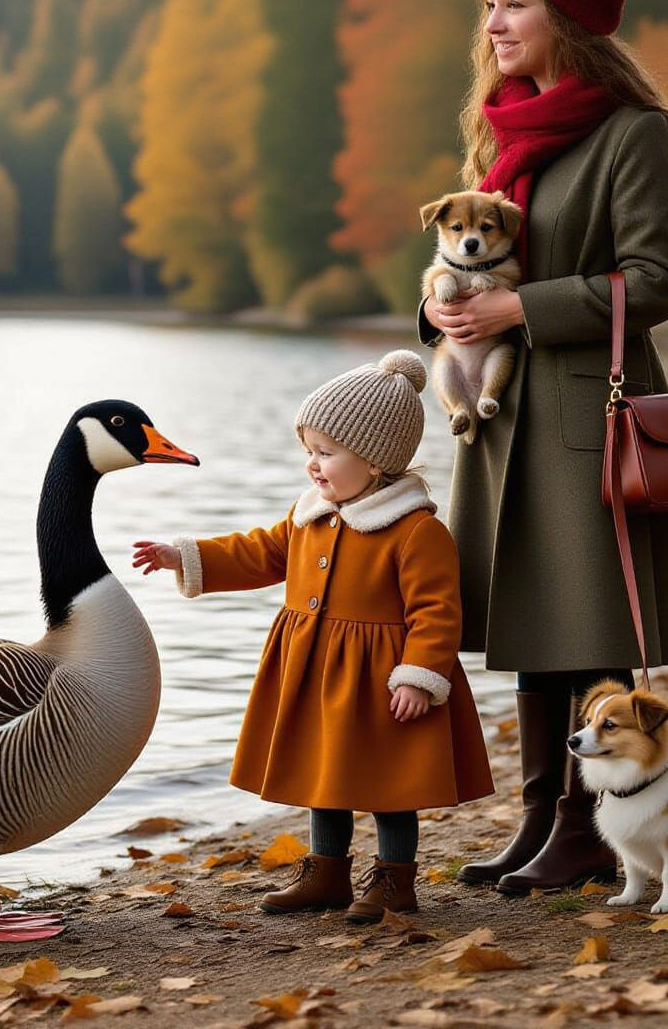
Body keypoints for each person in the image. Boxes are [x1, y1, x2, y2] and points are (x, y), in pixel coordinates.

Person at [419, 0, 668, 895]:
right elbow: (477, 264)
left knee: (586, 623)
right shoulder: (506, 131)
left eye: (514, 4)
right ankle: (544, 813)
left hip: (593, 409)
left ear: (567, 19)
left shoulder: (636, 135)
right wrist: (441, 311)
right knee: (532, 622)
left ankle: (590, 823)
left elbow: (656, 280)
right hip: (508, 421)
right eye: (488, 4)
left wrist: (516, 308)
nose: (493, 24)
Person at [133, 350, 493, 922]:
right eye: (309, 451)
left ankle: (394, 881)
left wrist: (421, 677)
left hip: (382, 681)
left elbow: (438, 611)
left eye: (326, 452)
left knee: (386, 785)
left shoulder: (416, 531)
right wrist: (186, 555)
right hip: (317, 670)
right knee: (325, 776)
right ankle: (327, 872)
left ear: (375, 462)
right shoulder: (310, 515)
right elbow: (260, 551)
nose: (313, 465)